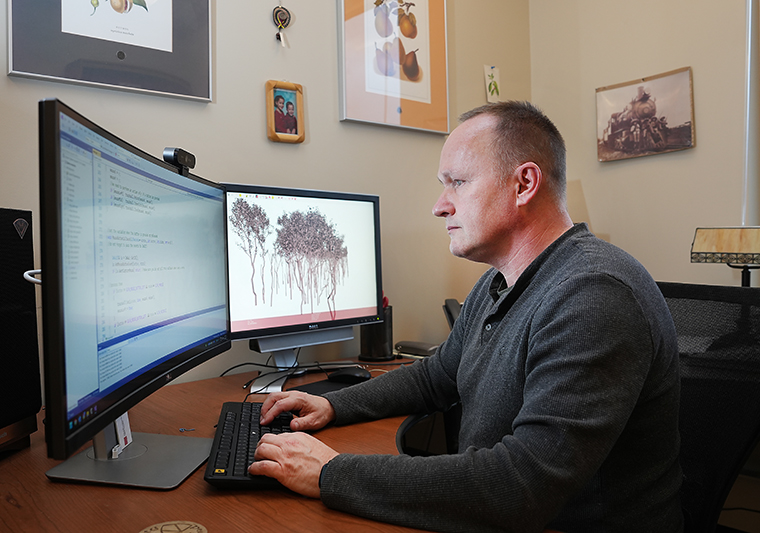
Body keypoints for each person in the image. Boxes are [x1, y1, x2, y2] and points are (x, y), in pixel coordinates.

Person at [250, 101, 684, 533]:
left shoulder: (593, 296)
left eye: (457, 182)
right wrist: (331, 404)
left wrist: (331, 473)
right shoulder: (500, 282)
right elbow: (436, 375)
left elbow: (521, 486)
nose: (440, 206)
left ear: (524, 184)